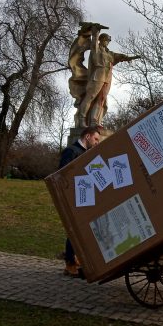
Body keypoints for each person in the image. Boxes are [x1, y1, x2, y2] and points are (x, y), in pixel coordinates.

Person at [74, 25, 140, 128]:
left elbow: (120, 56)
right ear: (101, 40)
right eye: (106, 40)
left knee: (101, 99)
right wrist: (96, 31)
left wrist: (131, 57)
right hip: (98, 76)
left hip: (107, 77)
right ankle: (82, 119)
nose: (107, 42)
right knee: (90, 97)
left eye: (108, 41)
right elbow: (94, 42)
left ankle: (94, 121)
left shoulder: (109, 53)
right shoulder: (96, 49)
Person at [59, 126, 102, 277]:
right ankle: (70, 264)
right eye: (96, 139)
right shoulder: (71, 151)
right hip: (73, 198)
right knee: (74, 230)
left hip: (83, 197)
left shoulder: (85, 153)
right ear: (88, 136)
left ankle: (74, 259)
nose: (97, 142)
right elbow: (62, 175)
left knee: (80, 229)